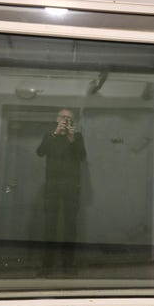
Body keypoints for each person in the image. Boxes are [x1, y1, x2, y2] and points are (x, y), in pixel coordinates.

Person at [36, 108, 86, 271]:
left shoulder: (77, 137)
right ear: (57, 119)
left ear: (73, 121)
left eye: (69, 118)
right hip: (52, 185)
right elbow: (40, 152)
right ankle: (47, 265)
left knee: (70, 225)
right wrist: (55, 134)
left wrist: (71, 138)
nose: (65, 120)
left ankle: (68, 264)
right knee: (49, 224)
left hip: (71, 186)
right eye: (63, 117)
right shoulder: (50, 136)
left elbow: (82, 157)